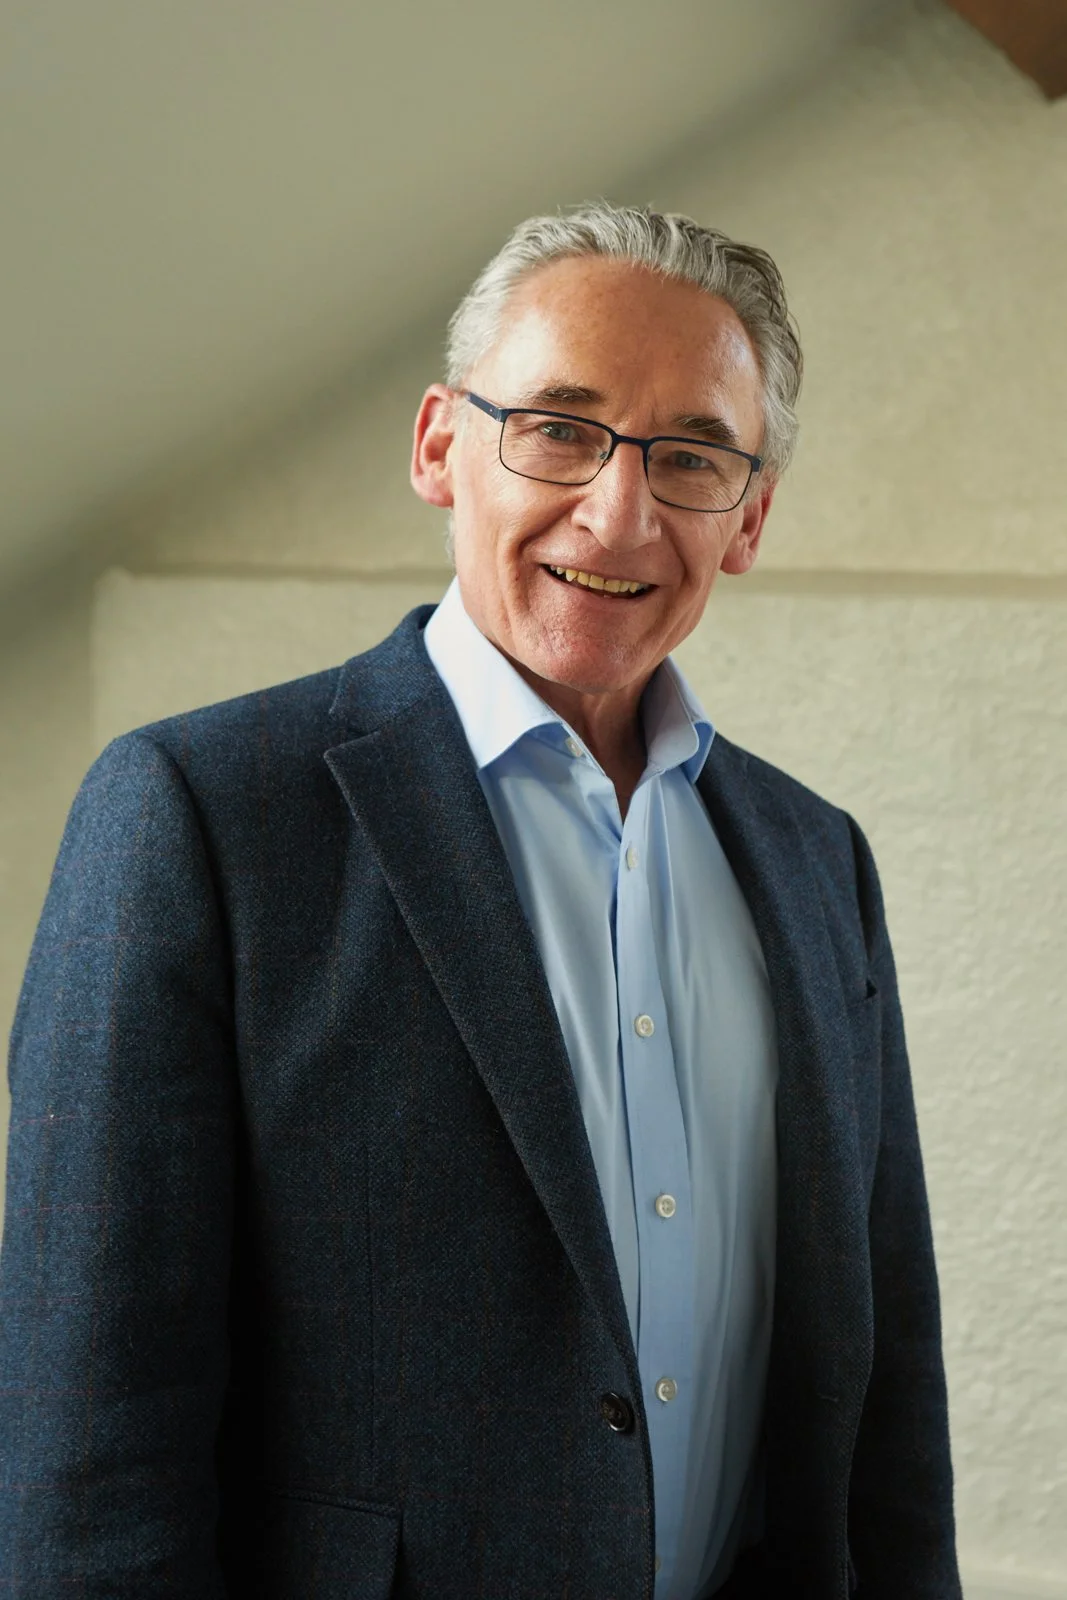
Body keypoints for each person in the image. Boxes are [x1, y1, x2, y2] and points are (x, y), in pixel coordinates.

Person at [0, 203, 962, 1599]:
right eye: (559, 430)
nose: (617, 510)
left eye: (689, 456)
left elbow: (886, 1406)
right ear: (440, 445)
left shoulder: (817, 861)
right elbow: (88, 1437)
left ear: (746, 518)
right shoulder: (200, 814)